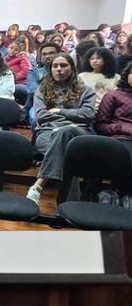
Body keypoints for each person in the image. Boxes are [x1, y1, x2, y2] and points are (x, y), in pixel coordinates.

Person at [27, 54, 96, 205]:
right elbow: (41, 116)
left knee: (65, 132)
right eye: (55, 66)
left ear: (72, 69)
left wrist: (59, 111)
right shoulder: (42, 90)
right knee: (66, 152)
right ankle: (68, 208)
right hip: (47, 134)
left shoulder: (86, 91)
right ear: (50, 69)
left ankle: (38, 185)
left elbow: (87, 114)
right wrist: (72, 117)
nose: (59, 69)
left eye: (63, 65)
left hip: (77, 134)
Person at [96, 61, 132, 170]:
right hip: (122, 139)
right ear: (127, 75)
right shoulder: (113, 96)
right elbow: (101, 126)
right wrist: (121, 128)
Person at [25, 42, 61, 125]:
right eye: (44, 54)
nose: (47, 56)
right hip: (40, 104)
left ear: (59, 55)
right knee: (35, 119)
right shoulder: (34, 72)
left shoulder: (66, 72)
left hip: (63, 104)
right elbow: (33, 89)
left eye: (51, 53)